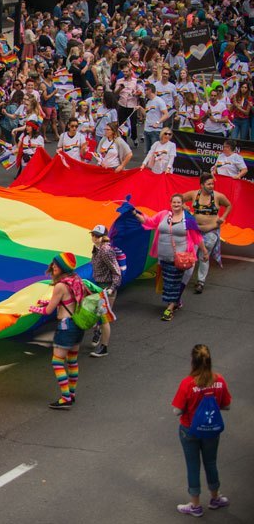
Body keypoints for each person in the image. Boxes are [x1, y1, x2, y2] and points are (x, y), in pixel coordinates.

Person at [170, 344, 232, 517]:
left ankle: (195, 505)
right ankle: (215, 497)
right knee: (211, 463)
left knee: (193, 465)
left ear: (193, 362)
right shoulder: (219, 380)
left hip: (190, 430)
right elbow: (226, 405)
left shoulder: (188, 383)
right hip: (211, 430)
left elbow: (177, 410)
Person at [134, 194, 208, 321]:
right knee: (168, 283)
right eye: (174, 202)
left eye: (179, 202)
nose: (176, 204)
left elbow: (197, 237)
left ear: (183, 204)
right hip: (163, 257)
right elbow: (150, 222)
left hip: (180, 259)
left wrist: (205, 252)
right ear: (170, 203)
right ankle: (176, 302)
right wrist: (135, 214)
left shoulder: (188, 219)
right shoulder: (163, 215)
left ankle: (169, 309)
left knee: (174, 282)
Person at [28, 253, 85, 409]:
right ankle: (71, 394)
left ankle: (65, 397)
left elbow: (48, 311)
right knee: (72, 361)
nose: (53, 266)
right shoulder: (75, 280)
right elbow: (67, 300)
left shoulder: (60, 286)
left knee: (57, 361)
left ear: (63, 268)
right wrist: (46, 301)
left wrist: (32, 308)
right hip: (78, 325)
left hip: (66, 327)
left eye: (56, 264)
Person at [182, 174, 233, 295]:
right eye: (209, 184)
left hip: (210, 231)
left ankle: (200, 282)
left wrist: (223, 218)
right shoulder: (194, 194)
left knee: (204, 257)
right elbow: (178, 198)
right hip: (195, 231)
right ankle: (184, 280)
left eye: (212, 184)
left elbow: (229, 205)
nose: (211, 186)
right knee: (191, 255)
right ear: (202, 185)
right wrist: (185, 207)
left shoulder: (218, 196)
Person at [87, 225, 121, 358]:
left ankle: (104, 347)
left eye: (96, 235)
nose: (93, 237)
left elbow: (116, 272)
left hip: (106, 287)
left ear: (103, 237)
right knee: (97, 315)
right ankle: (97, 331)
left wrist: (112, 289)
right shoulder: (97, 248)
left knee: (104, 319)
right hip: (98, 285)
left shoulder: (106, 250)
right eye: (93, 234)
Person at [139, 83, 169, 152]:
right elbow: (146, 114)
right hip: (147, 129)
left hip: (155, 131)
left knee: (154, 152)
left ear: (150, 90)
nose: (144, 92)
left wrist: (158, 122)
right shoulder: (148, 101)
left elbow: (166, 114)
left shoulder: (159, 101)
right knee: (147, 152)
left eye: (145, 90)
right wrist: (140, 108)